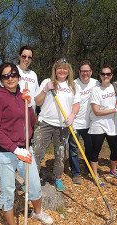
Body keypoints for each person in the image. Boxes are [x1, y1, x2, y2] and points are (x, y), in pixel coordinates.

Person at [0, 62, 53, 225]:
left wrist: (29, 105)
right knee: (7, 193)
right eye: (6, 76)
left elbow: (32, 123)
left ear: (18, 76)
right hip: (4, 153)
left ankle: (37, 213)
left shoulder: (21, 95)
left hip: (25, 149)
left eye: (13, 74)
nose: (10, 78)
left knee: (35, 186)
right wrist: (15, 149)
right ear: (1, 79)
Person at [33, 58, 80, 192]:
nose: (62, 70)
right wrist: (45, 90)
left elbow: (76, 104)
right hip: (46, 123)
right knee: (37, 151)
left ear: (69, 71)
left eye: (65, 68)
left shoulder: (72, 86)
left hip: (63, 126)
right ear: (55, 69)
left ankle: (58, 178)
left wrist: (73, 115)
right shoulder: (47, 82)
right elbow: (37, 101)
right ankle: (33, 180)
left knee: (61, 154)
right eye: (59, 68)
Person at [89, 65, 117, 188]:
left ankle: (113, 170)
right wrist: (115, 109)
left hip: (113, 124)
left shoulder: (115, 89)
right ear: (99, 75)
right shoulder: (96, 90)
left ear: (111, 75)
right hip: (98, 124)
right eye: (103, 74)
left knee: (116, 149)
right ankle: (95, 175)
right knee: (95, 150)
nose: (106, 76)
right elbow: (97, 111)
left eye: (108, 74)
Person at [68, 60, 99, 184]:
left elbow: (106, 90)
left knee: (90, 148)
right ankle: (76, 173)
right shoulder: (73, 84)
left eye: (87, 71)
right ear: (79, 72)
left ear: (91, 72)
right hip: (75, 122)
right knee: (74, 149)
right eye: (82, 71)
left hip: (90, 122)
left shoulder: (96, 83)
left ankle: (89, 168)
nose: (85, 73)